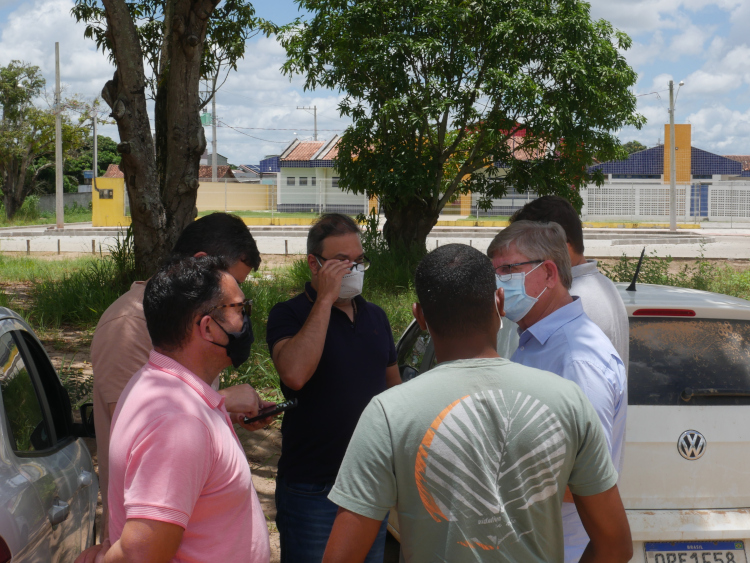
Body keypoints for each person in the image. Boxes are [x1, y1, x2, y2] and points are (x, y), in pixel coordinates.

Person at [322, 244, 632, 563]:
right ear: (500, 303)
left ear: (420, 317)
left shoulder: (388, 413)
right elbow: (616, 546)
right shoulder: (568, 400)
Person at [90, 212, 272, 545]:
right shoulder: (129, 325)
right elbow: (150, 429)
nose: (239, 305)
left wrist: (225, 412)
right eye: (233, 286)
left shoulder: (186, 326)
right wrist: (222, 401)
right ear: (202, 264)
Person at [488, 221, 628, 563]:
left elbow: (582, 480)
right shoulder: (535, 341)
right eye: (494, 272)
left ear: (549, 273)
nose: (498, 283)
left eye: (508, 270)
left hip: (565, 550)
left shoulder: (577, 360)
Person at [266, 213, 401, 563]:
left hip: (371, 483)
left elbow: (393, 388)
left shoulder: (376, 317)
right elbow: (295, 374)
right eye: (342, 263)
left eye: (359, 261)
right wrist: (325, 300)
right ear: (315, 264)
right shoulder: (290, 314)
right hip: (313, 487)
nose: (353, 270)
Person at [508, 195, 629, 370]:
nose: (525, 259)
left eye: (529, 249)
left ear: (564, 246)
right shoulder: (603, 285)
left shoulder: (569, 300)